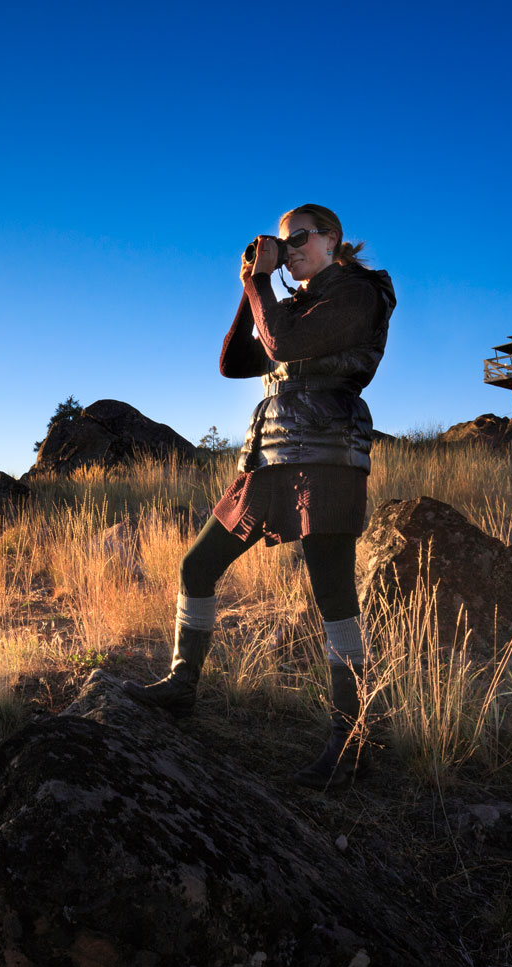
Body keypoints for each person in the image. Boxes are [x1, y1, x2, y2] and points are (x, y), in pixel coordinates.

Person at [123, 203, 396, 790]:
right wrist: (251, 288)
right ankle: (180, 685)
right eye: (281, 241)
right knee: (197, 564)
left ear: (331, 240)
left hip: (325, 452)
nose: (288, 248)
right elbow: (234, 362)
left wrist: (258, 283)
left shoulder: (358, 294)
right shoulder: (292, 301)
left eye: (298, 239)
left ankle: (349, 741)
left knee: (334, 596)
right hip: (270, 456)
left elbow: (288, 344)